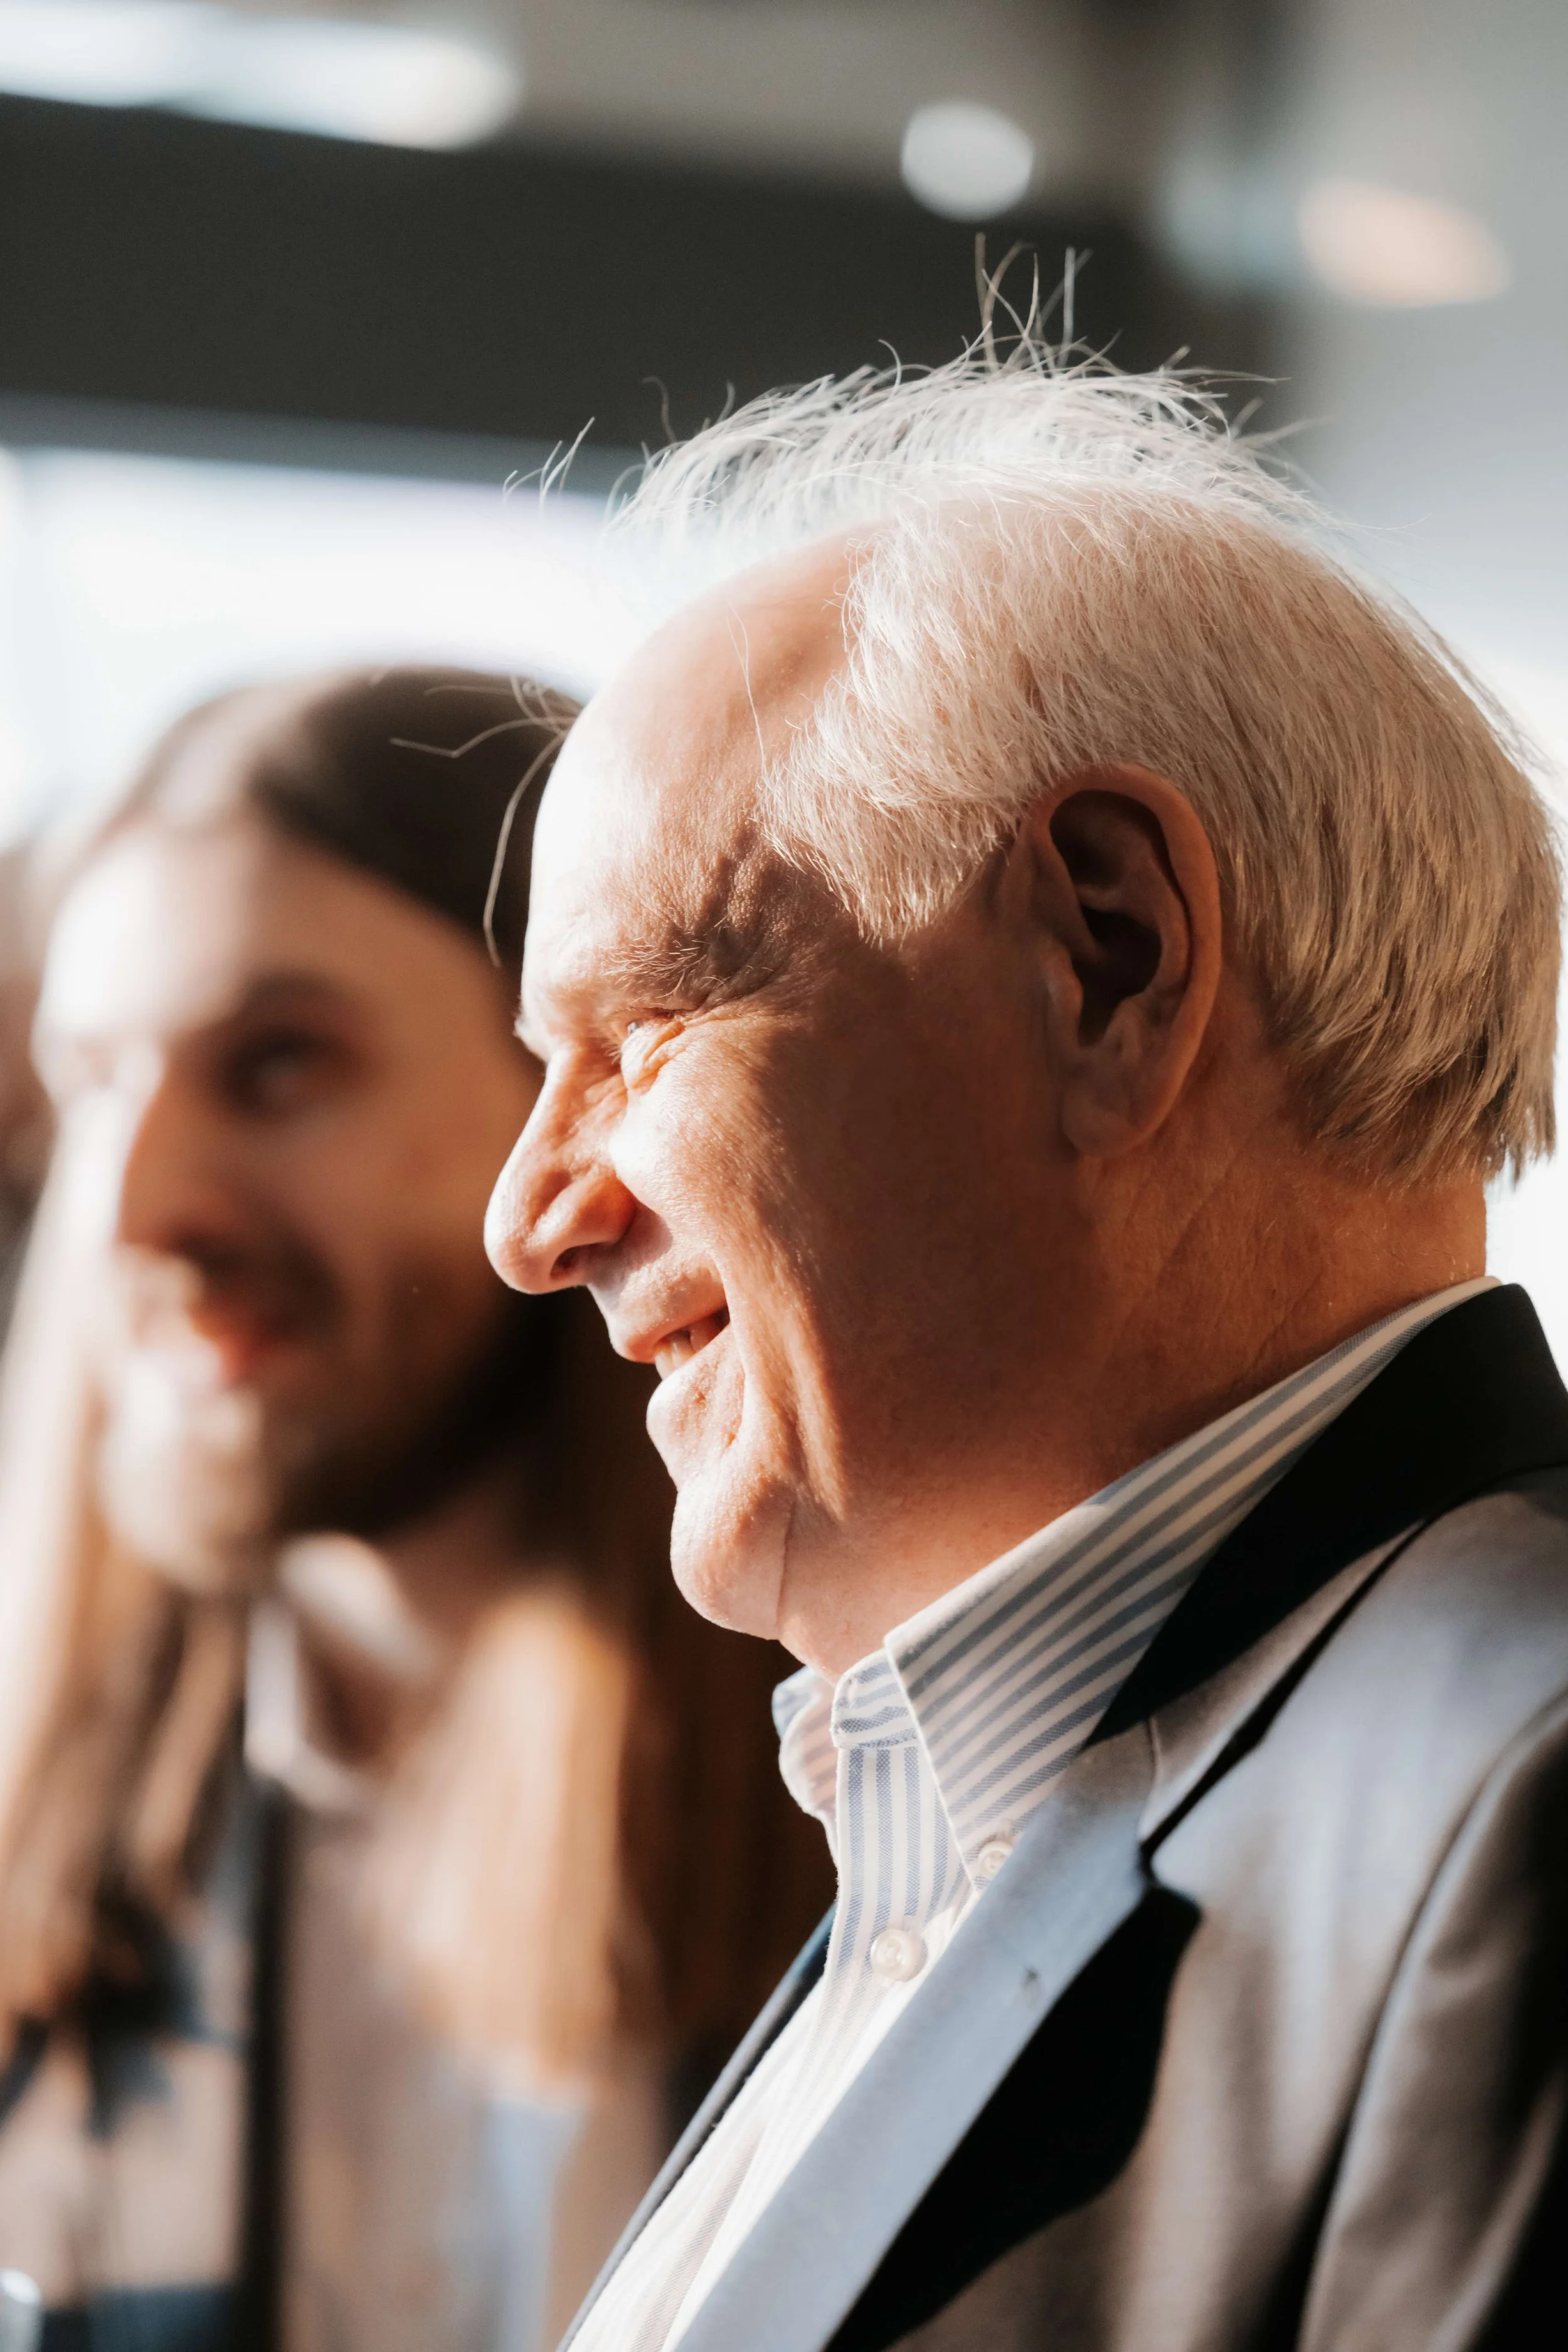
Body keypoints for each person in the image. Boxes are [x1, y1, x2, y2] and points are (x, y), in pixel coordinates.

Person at [485, 347, 1568, 2351]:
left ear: (1108, 958)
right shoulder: (964, 1816)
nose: (529, 1218)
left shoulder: (1516, 1802)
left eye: (638, 1035)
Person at [0, 668, 831, 2352]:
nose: (132, 1208)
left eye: (281, 1061)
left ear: (586, 1114)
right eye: (91, 1081)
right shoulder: (53, 1890)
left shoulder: (893, 1830)